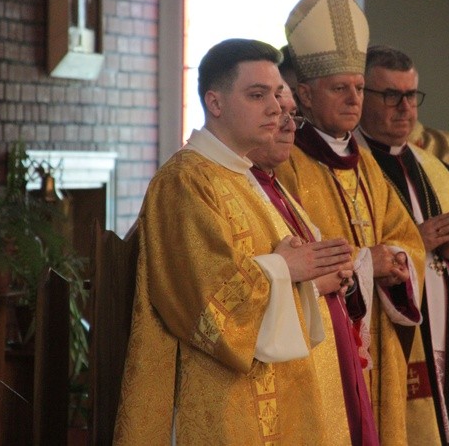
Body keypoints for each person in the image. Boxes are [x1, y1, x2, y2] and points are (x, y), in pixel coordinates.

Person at [113, 38, 356, 444]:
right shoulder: (186, 180)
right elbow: (205, 309)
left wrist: (311, 276)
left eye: (277, 94)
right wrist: (289, 270)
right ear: (216, 102)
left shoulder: (244, 178)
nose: (276, 108)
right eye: (257, 95)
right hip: (219, 404)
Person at [276, 0, 427, 446]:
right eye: (340, 88)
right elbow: (291, 256)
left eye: (359, 88)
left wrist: (398, 259)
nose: (354, 99)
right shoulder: (285, 162)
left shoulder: (361, 160)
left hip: (374, 340)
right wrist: (369, 264)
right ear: (303, 94)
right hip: (321, 347)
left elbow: (406, 238)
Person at [354, 44, 449, 445]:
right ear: (360, 94)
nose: (405, 108)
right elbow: (342, 256)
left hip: (446, 340)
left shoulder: (437, 171)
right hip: (389, 344)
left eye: (411, 95)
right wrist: (412, 244)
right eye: (390, 95)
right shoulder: (349, 170)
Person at [247, 85, 379, 445]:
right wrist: (316, 285)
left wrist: (344, 278)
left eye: (293, 116)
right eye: (279, 116)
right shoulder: (226, 187)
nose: (290, 126)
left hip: (327, 367)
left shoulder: (276, 187)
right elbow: (225, 303)